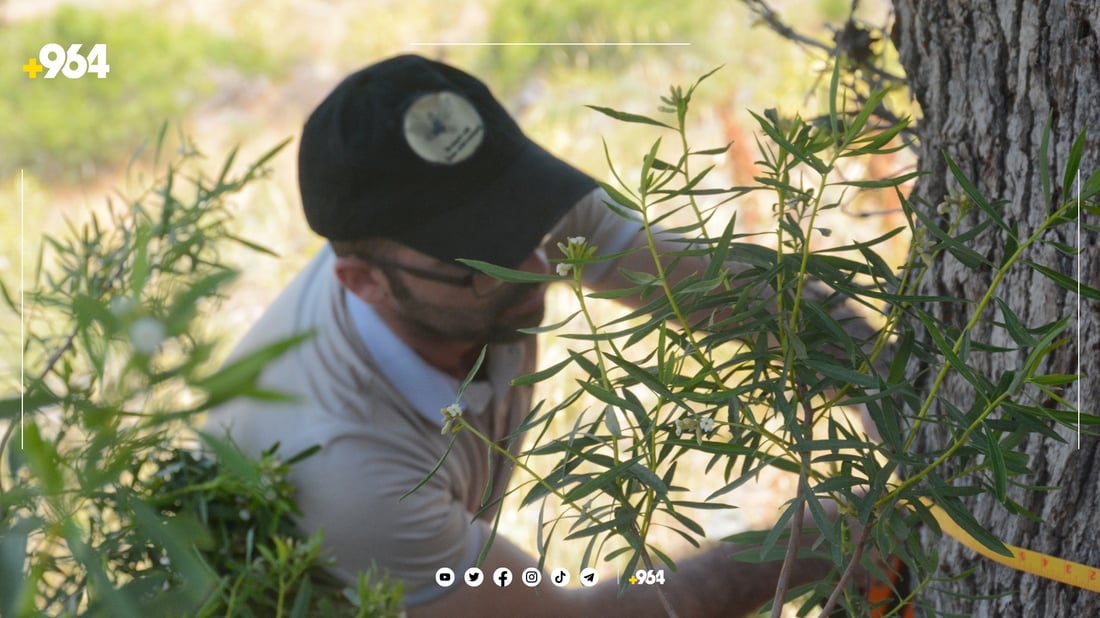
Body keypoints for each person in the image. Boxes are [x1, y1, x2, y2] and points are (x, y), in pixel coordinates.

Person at [204, 54, 848, 617]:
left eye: (524, 217)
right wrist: (806, 548)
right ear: (364, 282)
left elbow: (727, 294)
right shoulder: (349, 469)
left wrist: (888, 380)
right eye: (478, 262)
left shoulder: (500, 216)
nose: (540, 267)